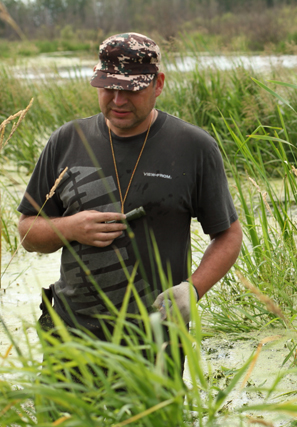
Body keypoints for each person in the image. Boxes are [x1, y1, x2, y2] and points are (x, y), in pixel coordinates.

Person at [17, 32, 242, 371]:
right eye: (108, 87)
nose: (118, 100)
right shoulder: (67, 139)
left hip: (153, 339)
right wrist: (70, 228)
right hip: (69, 335)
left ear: (158, 84)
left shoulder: (193, 147)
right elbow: (27, 232)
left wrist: (192, 291)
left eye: (131, 89)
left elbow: (229, 235)